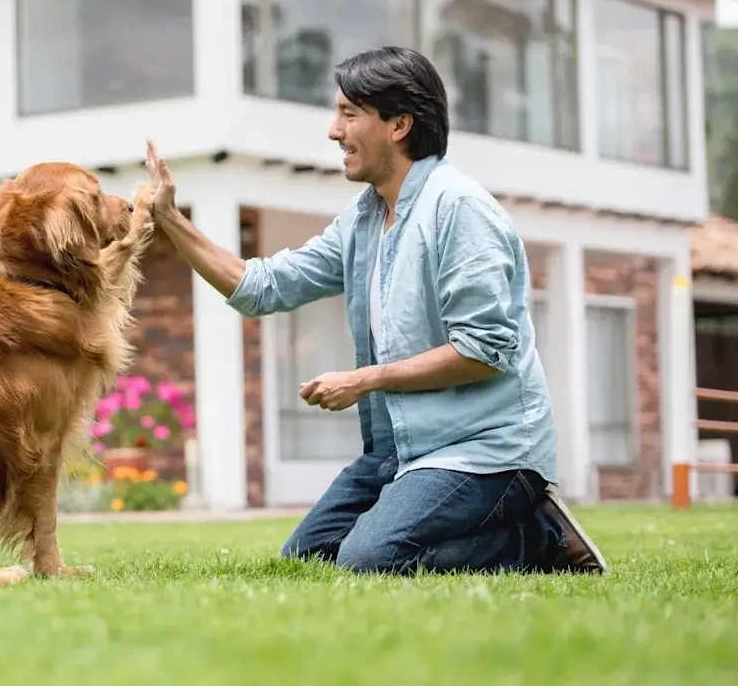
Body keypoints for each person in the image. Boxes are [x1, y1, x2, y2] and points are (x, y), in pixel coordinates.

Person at [143, 45, 607, 575]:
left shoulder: (460, 210)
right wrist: (171, 220)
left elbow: (483, 352)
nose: (332, 131)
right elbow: (263, 286)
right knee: (307, 560)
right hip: (401, 453)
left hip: (487, 452)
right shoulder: (363, 221)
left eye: (348, 113)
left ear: (399, 124)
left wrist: (366, 380)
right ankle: (503, 529)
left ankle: (538, 538)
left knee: (370, 560)